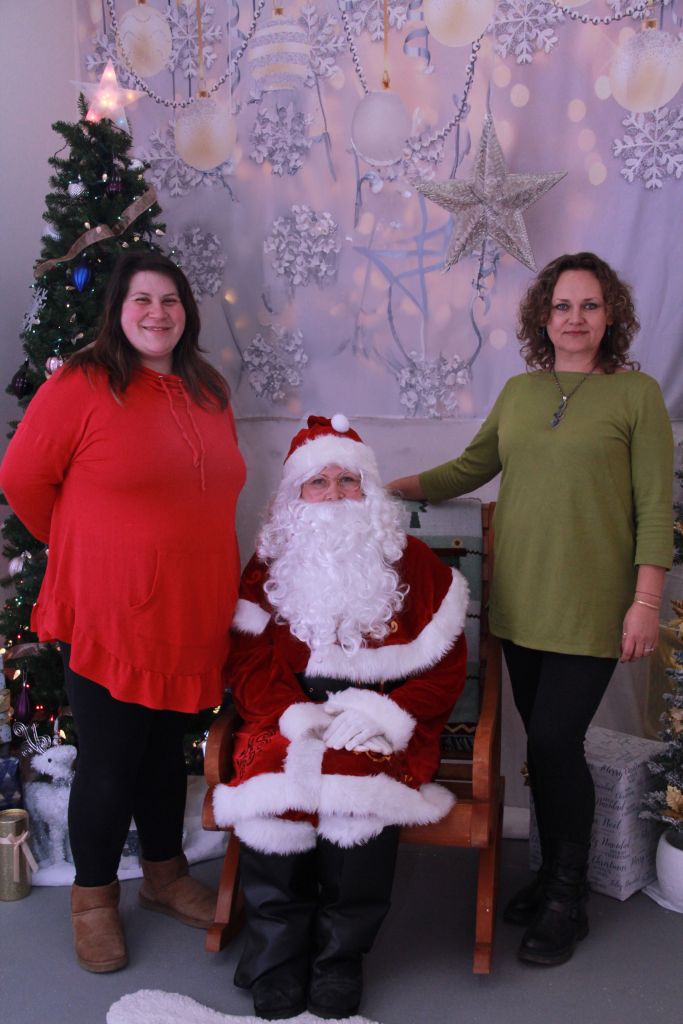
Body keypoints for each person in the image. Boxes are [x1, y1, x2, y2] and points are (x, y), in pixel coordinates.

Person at [387, 252, 674, 966]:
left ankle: (568, 897)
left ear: (611, 315)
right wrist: (388, 486)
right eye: (562, 306)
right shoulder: (519, 392)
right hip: (519, 601)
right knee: (542, 750)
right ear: (542, 317)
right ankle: (548, 877)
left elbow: (653, 508)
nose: (575, 318)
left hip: (592, 606)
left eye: (589, 305)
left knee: (553, 742)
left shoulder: (636, 395)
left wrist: (645, 602)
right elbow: (471, 467)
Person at [0, 251, 245, 973]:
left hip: (189, 611)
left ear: (186, 312)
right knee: (109, 763)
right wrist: (87, 548)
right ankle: (93, 900)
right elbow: (21, 477)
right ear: (118, 309)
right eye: (142, 299)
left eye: (170, 300)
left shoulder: (208, 388)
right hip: (109, 612)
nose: (157, 313)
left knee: (166, 753)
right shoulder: (81, 383)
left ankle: (165, 877)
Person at [212, 414, 468, 1020]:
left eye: (347, 480)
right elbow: (247, 658)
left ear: (368, 489)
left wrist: (386, 713)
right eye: (318, 482)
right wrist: (289, 714)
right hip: (284, 710)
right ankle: (277, 955)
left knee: (359, 784)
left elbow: (444, 668)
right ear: (296, 495)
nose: (334, 494)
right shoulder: (268, 565)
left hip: (378, 718)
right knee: (273, 779)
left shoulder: (415, 564)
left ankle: (338, 957)